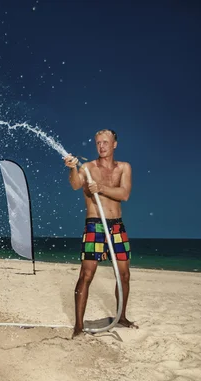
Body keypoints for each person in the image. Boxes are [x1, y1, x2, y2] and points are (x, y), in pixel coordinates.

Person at [63, 129, 137, 338]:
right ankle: (78, 326)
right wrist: (71, 168)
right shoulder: (87, 167)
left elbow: (125, 194)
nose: (101, 146)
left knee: (124, 275)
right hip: (95, 225)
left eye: (106, 142)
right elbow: (75, 184)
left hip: (116, 226)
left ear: (114, 144)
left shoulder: (124, 168)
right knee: (86, 275)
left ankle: (121, 316)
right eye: (98, 143)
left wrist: (101, 188)